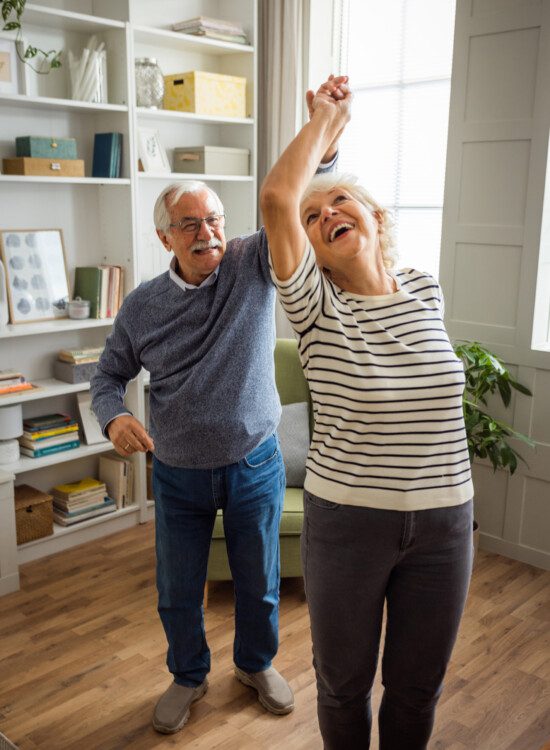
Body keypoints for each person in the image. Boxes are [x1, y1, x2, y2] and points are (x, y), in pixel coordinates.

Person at [89, 78, 346, 736]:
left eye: (214, 221)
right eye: (189, 225)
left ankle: (255, 666)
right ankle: (188, 674)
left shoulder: (248, 263)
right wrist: (115, 416)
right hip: (177, 470)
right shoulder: (143, 304)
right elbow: (109, 376)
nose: (207, 233)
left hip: (254, 460)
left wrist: (326, 141)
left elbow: (293, 205)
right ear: (164, 236)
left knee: (259, 581)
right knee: (177, 589)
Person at [260, 77, 474, 749]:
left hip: (445, 525)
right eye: (314, 217)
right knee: (344, 686)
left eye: (341, 203)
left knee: (417, 689)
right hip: (349, 524)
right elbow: (276, 199)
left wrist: (327, 149)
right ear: (311, 252)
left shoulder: (425, 288)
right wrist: (325, 120)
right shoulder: (316, 310)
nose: (326, 216)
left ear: (376, 218)